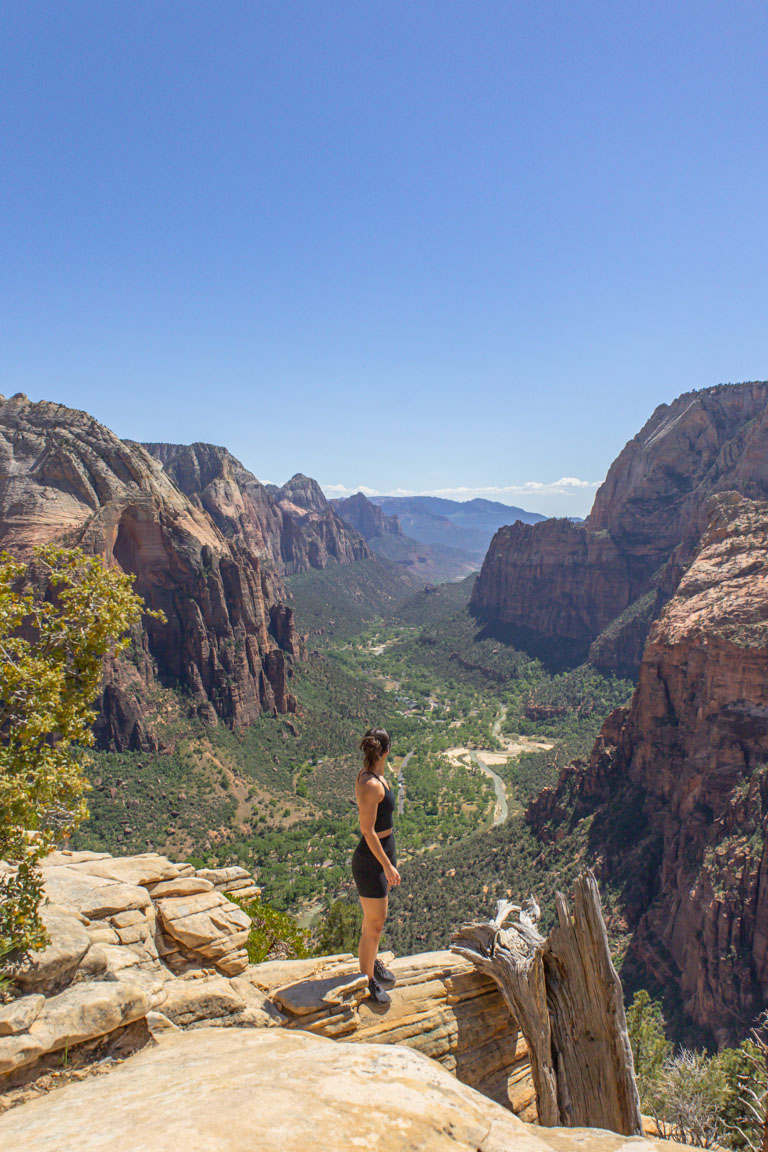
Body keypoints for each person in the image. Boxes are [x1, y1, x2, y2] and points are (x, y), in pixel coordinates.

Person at [352, 726, 401, 1005]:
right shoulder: (371, 783)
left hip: (380, 858)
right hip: (371, 862)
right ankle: (367, 981)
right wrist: (387, 866)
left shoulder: (375, 774)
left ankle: (371, 964)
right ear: (386, 750)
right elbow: (368, 831)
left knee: (376, 922)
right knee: (373, 924)